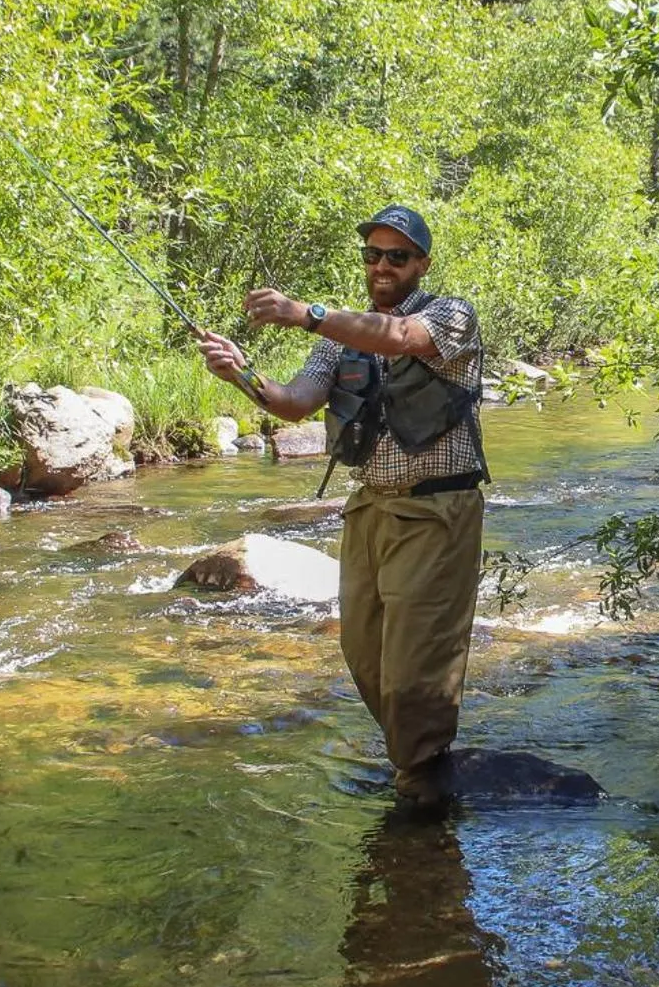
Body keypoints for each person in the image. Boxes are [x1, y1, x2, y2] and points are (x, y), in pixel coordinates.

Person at [195, 204, 487, 806]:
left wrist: (305, 314)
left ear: (421, 264)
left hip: (438, 512)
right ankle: (415, 759)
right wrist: (240, 377)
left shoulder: (450, 316)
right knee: (364, 653)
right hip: (368, 512)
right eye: (373, 255)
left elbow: (402, 338)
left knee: (415, 662)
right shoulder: (339, 341)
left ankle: (423, 778)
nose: (382, 266)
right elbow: (293, 403)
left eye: (397, 256)